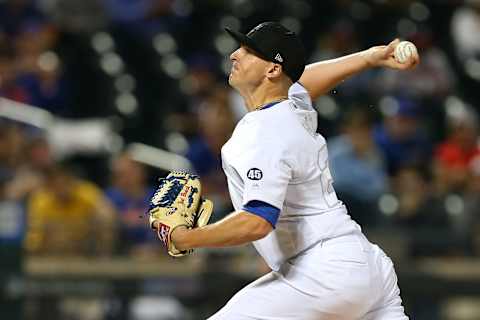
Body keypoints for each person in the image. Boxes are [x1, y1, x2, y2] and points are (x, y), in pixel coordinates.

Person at [163, 22, 419, 319]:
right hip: (368, 268)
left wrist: (186, 238)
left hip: (323, 272)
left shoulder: (261, 133)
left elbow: (257, 221)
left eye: (248, 51)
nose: (234, 55)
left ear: (272, 70)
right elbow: (302, 82)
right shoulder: (291, 106)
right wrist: (369, 57)